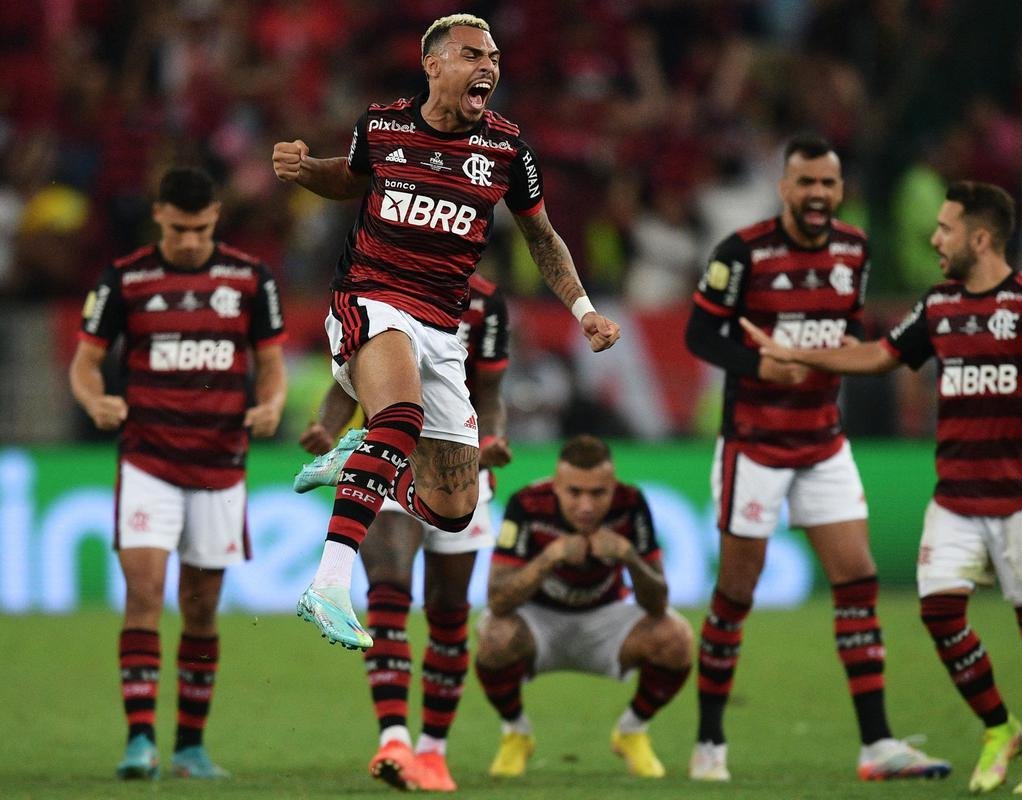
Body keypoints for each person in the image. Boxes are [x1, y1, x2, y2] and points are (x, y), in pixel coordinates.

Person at [741, 180, 1022, 795]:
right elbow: (882, 356)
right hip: (955, 497)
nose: (933, 237)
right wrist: (802, 356)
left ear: (980, 237)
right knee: (939, 612)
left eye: (944, 229)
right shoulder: (939, 305)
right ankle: (1000, 728)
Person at [271, 12, 620, 651]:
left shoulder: (508, 150)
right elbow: (346, 181)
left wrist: (583, 308)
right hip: (371, 299)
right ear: (433, 64)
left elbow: (543, 237)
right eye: (471, 55)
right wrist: (304, 168)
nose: (487, 65)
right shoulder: (382, 126)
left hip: (443, 324)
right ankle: (327, 582)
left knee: (454, 509)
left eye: (493, 57)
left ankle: (359, 455)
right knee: (398, 416)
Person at [684, 133, 950, 782]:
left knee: (856, 581)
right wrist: (756, 364)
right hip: (755, 445)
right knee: (735, 594)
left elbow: (847, 329)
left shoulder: (854, 251)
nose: (816, 195)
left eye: (827, 184)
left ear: (838, 191)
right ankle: (709, 743)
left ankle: (876, 745)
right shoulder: (742, 253)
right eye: (804, 183)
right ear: (783, 188)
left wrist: (839, 354)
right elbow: (699, 332)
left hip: (823, 443)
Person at [68, 167, 287, 780]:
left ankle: (190, 747)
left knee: (200, 608)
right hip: (149, 459)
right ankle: (140, 742)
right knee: (142, 595)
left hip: (220, 463)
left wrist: (271, 404)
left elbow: (269, 364)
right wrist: (95, 401)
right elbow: (86, 364)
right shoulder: (125, 278)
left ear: (216, 218)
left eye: (202, 228)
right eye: (179, 228)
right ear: (158, 215)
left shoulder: (249, 278)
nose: (190, 240)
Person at [297, 272, 510, 792]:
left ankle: (433, 752)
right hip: (389, 458)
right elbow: (342, 383)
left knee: (448, 610)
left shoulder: (485, 305)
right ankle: (394, 737)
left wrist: (495, 437)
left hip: (457, 464)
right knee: (389, 591)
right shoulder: (383, 285)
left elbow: (490, 390)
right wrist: (327, 426)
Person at [474, 435, 692, 779]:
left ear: (613, 486)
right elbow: (497, 600)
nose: (586, 505)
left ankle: (632, 731)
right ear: (556, 486)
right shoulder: (526, 504)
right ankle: (516, 732)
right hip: (539, 620)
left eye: (598, 493)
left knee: (676, 638)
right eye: (575, 492)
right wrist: (549, 558)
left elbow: (658, 604)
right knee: (493, 637)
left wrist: (629, 558)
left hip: (606, 619)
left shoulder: (631, 503)